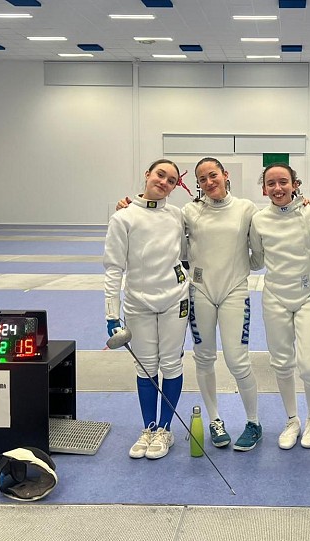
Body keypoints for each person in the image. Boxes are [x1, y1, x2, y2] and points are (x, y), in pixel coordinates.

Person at [117, 157, 263, 452]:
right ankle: (215, 420)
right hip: (200, 293)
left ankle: (253, 422)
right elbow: (161, 227)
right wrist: (128, 205)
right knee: (204, 357)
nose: (209, 182)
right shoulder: (189, 212)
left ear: (225, 175)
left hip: (235, 292)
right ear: (197, 184)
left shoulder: (247, 209)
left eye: (213, 175)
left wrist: (233, 269)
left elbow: (258, 258)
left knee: (237, 360)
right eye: (202, 179)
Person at [104, 159, 190, 460]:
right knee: (145, 366)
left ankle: (165, 429)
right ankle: (149, 426)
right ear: (147, 175)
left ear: (175, 186)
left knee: (171, 364)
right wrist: (111, 315)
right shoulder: (123, 218)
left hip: (175, 301)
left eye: (171, 180)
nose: (164, 182)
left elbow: (187, 252)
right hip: (138, 303)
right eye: (160, 175)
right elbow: (113, 269)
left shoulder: (178, 215)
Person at [249, 163, 310, 450]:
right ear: (264, 189)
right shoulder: (259, 220)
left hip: (309, 297)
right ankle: (292, 419)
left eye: (283, 182)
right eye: (271, 184)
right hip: (275, 297)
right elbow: (256, 260)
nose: (278, 188)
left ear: (295, 184)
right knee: (281, 363)